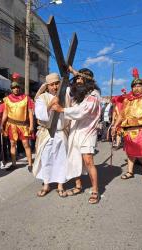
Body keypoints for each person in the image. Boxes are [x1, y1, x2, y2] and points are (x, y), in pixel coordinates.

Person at [52, 68, 101, 204]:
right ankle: (78, 186)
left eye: (81, 78)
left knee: (88, 160)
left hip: (88, 132)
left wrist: (62, 110)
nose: (78, 81)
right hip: (75, 131)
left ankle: (95, 190)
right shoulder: (78, 94)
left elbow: (82, 111)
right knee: (74, 158)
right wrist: (70, 75)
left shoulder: (94, 94)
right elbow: (67, 91)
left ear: (88, 80)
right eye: (77, 78)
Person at [111, 73, 142, 184]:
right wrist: (115, 125)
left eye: (139, 86)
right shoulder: (127, 100)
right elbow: (121, 115)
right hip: (128, 130)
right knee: (130, 153)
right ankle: (130, 172)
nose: (136, 88)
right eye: (134, 86)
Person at [33, 73, 69, 198]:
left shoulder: (66, 96)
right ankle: (46, 185)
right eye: (52, 84)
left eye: (56, 83)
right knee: (46, 159)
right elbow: (40, 114)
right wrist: (50, 104)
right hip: (47, 133)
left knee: (61, 160)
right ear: (47, 86)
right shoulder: (42, 97)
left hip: (61, 133)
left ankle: (60, 185)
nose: (54, 87)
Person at [0, 81, 34, 171]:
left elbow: (30, 113)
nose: (16, 89)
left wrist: (31, 125)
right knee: (12, 144)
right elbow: (5, 113)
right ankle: (14, 164)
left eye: (17, 87)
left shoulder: (26, 98)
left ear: (20, 88)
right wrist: (1, 124)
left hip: (23, 125)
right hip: (11, 125)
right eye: (14, 88)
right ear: (11, 89)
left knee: (26, 144)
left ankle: (30, 164)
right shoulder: (7, 99)